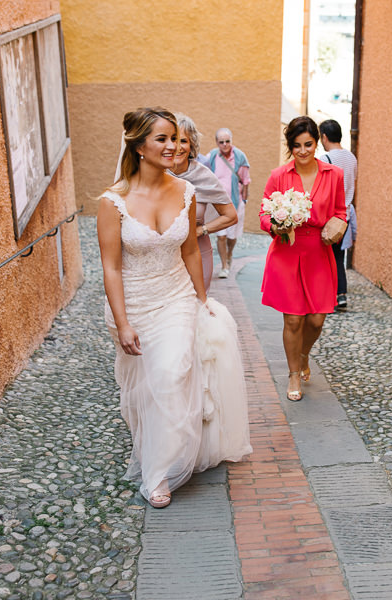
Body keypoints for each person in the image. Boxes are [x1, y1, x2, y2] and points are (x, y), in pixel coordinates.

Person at [97, 107, 251, 510]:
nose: (171, 146)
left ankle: (159, 474)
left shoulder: (186, 192)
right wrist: (123, 322)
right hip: (136, 302)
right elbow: (111, 267)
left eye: (174, 138)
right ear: (139, 145)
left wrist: (202, 301)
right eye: (161, 139)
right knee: (145, 386)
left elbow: (190, 254)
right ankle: (157, 447)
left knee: (172, 371)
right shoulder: (112, 202)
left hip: (177, 296)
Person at [260, 116, 346, 401]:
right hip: (287, 251)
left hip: (318, 252)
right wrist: (275, 225)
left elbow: (340, 211)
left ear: (317, 141)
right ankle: (293, 373)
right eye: (296, 146)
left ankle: (304, 354)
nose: (303, 151)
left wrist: (337, 226)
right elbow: (263, 213)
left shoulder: (333, 174)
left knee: (317, 320)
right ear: (290, 146)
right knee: (294, 320)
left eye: (308, 144)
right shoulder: (279, 175)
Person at [170, 114, 238, 290]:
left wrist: (201, 230)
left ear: (192, 144)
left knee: (196, 307)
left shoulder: (203, 175)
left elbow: (230, 216)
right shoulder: (155, 175)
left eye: (183, 141)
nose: (177, 147)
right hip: (164, 256)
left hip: (198, 252)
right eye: (172, 140)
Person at [320, 119, 358, 311]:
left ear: (324, 137)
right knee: (338, 257)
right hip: (346, 215)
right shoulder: (352, 158)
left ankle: (330, 296)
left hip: (330, 216)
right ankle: (341, 294)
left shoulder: (325, 159)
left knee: (327, 258)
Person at [207, 128, 250, 278]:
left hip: (236, 203)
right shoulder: (211, 156)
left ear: (231, 141)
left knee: (232, 236)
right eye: (221, 142)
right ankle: (224, 266)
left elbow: (245, 181)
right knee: (221, 236)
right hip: (218, 204)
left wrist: (244, 200)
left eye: (227, 141)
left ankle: (229, 254)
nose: (225, 145)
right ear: (216, 143)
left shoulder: (240, 157)